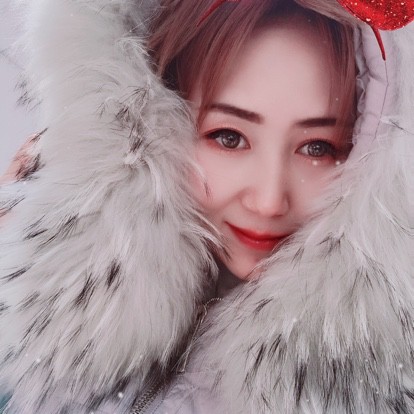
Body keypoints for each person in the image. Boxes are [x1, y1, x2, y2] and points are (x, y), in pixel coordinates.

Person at [0, 0, 413, 413]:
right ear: (147, 129)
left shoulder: (380, 385)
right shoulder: (33, 329)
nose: (269, 200)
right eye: (229, 138)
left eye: (316, 148)